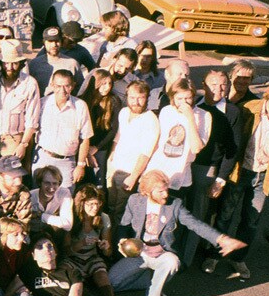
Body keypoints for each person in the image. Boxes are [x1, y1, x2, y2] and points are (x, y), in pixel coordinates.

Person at [108, 170, 245, 296]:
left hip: (162, 253)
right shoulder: (135, 201)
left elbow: (195, 224)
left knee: (172, 262)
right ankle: (152, 281)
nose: (166, 195)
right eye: (160, 191)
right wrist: (122, 242)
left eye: (166, 190)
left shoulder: (175, 205)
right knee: (112, 283)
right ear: (147, 192)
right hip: (139, 253)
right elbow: (124, 225)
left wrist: (221, 239)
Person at [205, 81, 269, 280]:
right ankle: (214, 255)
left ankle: (238, 258)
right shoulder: (248, 109)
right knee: (225, 216)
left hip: (263, 175)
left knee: (251, 221)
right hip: (240, 171)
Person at [184, 69, 241, 266]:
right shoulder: (194, 104)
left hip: (207, 168)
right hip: (185, 165)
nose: (219, 89)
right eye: (213, 84)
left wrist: (220, 179)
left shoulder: (232, 112)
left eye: (223, 84)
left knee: (197, 215)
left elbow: (233, 150)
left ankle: (186, 259)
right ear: (203, 85)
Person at [63, 185, 124, 296]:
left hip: (92, 257)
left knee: (102, 276)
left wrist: (105, 246)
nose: (95, 208)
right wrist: (82, 243)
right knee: (75, 282)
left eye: (98, 204)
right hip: (73, 259)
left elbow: (108, 253)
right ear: (82, 203)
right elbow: (66, 251)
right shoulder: (72, 219)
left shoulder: (103, 218)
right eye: (90, 204)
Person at [106, 80, 159, 230]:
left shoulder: (151, 120)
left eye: (140, 98)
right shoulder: (123, 112)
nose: (136, 102)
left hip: (129, 173)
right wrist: (111, 159)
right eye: (132, 97)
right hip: (114, 168)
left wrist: (134, 176)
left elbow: (146, 153)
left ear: (147, 98)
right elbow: (118, 137)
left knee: (120, 212)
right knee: (110, 206)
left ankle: (118, 246)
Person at [145, 78, 211, 198]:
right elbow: (158, 142)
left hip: (181, 174)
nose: (184, 102)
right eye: (179, 99)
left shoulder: (204, 115)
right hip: (157, 168)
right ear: (173, 98)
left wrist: (190, 118)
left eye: (188, 98)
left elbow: (196, 148)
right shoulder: (166, 111)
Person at [0, 38, 40, 171]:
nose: (9, 67)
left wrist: (23, 144)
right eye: (6, 63)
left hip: (14, 140)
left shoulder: (30, 84)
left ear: (21, 63)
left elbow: (32, 120)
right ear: (0, 62)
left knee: (11, 179)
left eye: (14, 63)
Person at [33, 69, 92, 188]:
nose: (62, 90)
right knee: (38, 197)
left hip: (66, 162)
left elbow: (85, 138)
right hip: (43, 158)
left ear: (73, 86)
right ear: (52, 85)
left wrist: (80, 165)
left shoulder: (80, 106)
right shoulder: (42, 104)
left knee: (66, 198)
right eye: (58, 86)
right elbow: (32, 130)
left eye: (67, 86)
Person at [79, 68, 121, 187]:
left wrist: (96, 147)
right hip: (83, 146)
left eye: (109, 83)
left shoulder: (113, 100)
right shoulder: (84, 100)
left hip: (100, 147)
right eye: (103, 83)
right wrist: (86, 151)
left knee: (98, 181)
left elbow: (114, 129)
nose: (107, 87)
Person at [27, 26, 82, 92]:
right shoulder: (35, 64)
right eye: (50, 41)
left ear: (61, 42)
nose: (54, 45)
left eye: (57, 41)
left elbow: (80, 88)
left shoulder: (72, 64)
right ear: (44, 43)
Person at [30, 164, 74, 239]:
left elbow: (68, 225)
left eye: (55, 183)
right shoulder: (30, 196)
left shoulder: (64, 193)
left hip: (53, 235)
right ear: (40, 183)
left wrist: (40, 215)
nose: (51, 188)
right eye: (47, 183)